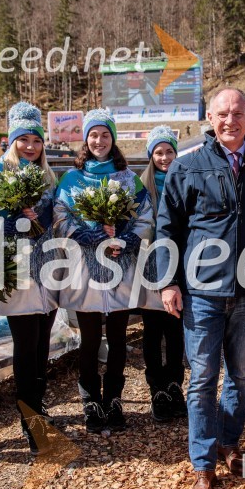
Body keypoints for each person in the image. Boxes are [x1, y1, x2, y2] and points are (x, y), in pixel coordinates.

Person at [155, 88, 245, 489]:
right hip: (202, 292)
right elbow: (166, 228)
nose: (231, 120)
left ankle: (229, 440)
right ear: (210, 116)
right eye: (223, 114)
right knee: (203, 379)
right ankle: (203, 464)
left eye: (238, 113)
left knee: (241, 376)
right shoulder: (187, 167)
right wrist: (169, 282)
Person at [54, 109, 154, 434]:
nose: (99, 141)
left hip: (120, 267)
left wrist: (125, 239)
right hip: (85, 267)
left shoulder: (128, 177)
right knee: (89, 338)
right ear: (86, 139)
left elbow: (145, 215)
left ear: (113, 139)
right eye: (94, 135)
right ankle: (90, 401)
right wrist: (88, 235)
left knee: (118, 338)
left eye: (105, 135)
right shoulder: (72, 178)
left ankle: (113, 399)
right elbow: (60, 216)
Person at [0, 102, 59, 454]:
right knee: (25, 346)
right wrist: (7, 224)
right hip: (14, 268)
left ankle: (38, 407)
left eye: (35, 140)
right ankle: (29, 419)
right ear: (11, 142)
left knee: (42, 344)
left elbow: (57, 218)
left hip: (48, 268)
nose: (30, 146)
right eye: (23, 139)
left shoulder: (49, 176)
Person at [139, 125, 187, 422]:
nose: (165, 157)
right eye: (159, 152)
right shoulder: (141, 186)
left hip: (178, 263)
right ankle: (156, 388)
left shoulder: (183, 180)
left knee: (175, 329)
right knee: (152, 328)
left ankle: (174, 385)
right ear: (151, 155)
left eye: (169, 151)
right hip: (149, 265)